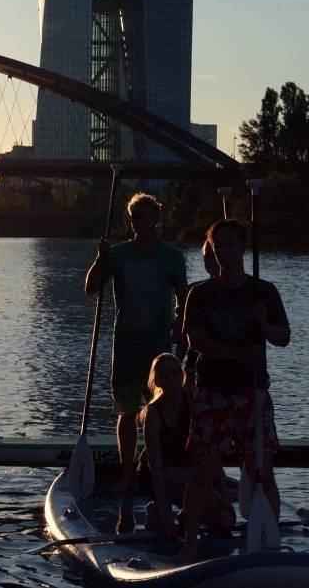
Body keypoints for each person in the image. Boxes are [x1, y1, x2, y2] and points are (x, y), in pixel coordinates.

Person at [174, 219, 290, 564]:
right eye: (218, 245)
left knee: (261, 472)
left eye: (231, 243)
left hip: (252, 395)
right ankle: (190, 544)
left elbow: (283, 337)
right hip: (212, 393)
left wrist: (262, 323)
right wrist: (237, 353)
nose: (225, 250)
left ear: (243, 247)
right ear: (212, 251)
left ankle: (270, 543)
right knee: (202, 474)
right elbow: (196, 341)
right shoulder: (201, 294)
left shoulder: (264, 292)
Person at [85, 193, 188, 495]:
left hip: (159, 349)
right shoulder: (118, 254)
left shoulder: (172, 256)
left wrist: (181, 329)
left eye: (146, 216)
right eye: (135, 218)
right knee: (127, 413)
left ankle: (167, 470)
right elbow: (91, 288)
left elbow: (183, 299)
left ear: (157, 220)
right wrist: (100, 258)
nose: (141, 222)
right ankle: (127, 475)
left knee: (165, 410)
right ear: (130, 221)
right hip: (127, 345)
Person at [136, 353, 234, 538]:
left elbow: (211, 454)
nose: (171, 379)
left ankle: (185, 513)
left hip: (189, 472)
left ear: (182, 375)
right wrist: (166, 514)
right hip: (159, 474)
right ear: (157, 382)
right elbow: (155, 466)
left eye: (174, 373)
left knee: (225, 521)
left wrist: (224, 496)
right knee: (189, 479)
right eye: (164, 375)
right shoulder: (153, 413)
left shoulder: (195, 404)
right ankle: (158, 507)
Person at [177, 240, 220, 384]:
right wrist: (177, 365)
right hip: (195, 368)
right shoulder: (193, 292)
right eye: (207, 255)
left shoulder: (246, 291)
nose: (211, 260)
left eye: (214, 254)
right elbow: (183, 336)